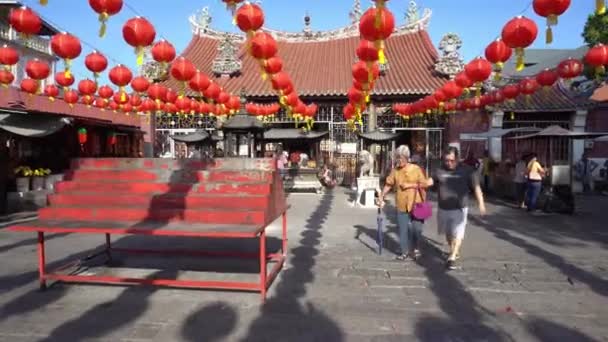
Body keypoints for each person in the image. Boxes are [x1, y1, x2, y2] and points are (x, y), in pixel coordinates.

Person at [433, 146, 486, 270]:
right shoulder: (439, 170)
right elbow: (430, 181)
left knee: (458, 231)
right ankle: (453, 250)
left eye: (452, 160)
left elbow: (476, 187)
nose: (449, 163)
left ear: (457, 158)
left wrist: (481, 204)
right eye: (446, 160)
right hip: (443, 207)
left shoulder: (468, 170)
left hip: (460, 207)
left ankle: (452, 256)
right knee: (448, 233)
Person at [379, 145, 433, 261]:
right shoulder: (395, 171)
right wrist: (381, 196)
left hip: (417, 202)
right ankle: (404, 252)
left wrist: (411, 185)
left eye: (401, 158)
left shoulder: (416, 169)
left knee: (416, 229)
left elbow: (425, 184)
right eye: (397, 158)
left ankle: (416, 248)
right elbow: (389, 184)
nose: (399, 160)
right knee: (402, 229)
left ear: (407, 158)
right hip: (401, 203)